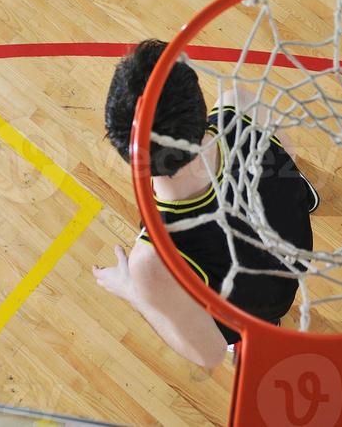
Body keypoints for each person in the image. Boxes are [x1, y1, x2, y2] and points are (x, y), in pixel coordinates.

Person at [93, 40, 319, 368]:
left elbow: (209, 354)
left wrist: (132, 290)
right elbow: (289, 156)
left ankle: (262, 331)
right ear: (197, 101)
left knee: (227, 327)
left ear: (123, 146)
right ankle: (308, 197)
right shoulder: (238, 107)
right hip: (298, 246)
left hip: (263, 308)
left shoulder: (153, 259)